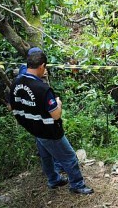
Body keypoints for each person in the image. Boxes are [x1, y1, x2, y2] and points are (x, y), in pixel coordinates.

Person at [9, 50, 93, 194]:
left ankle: (54, 180)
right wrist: (58, 102)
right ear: (41, 66)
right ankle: (77, 185)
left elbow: (10, 106)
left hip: (33, 127)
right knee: (69, 157)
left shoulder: (16, 82)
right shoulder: (42, 89)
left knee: (46, 156)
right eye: (45, 67)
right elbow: (56, 115)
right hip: (48, 130)